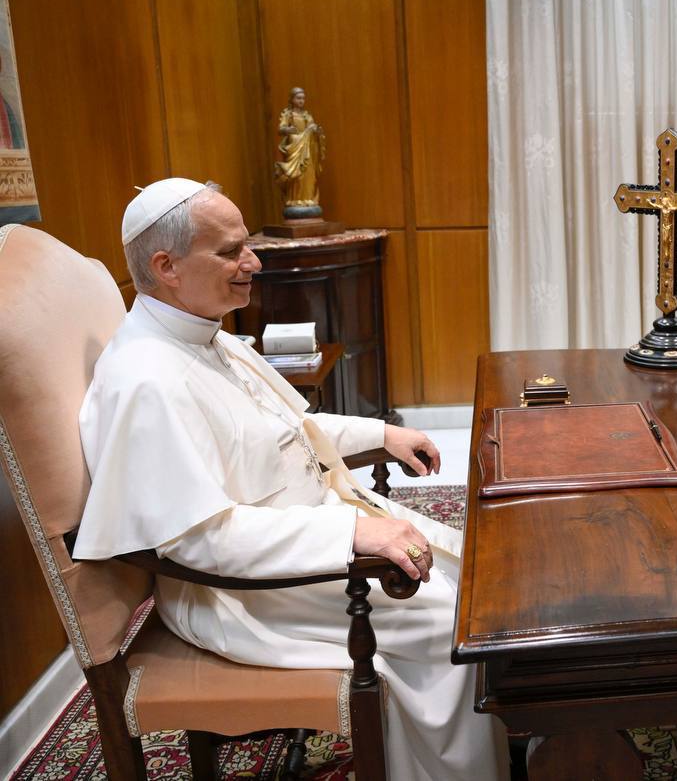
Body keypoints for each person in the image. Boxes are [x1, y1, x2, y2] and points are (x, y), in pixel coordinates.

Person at [72, 178, 508, 780]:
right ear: (166, 266)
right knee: (451, 625)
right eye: (231, 251)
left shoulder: (206, 333)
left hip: (298, 544)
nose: (253, 262)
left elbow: (284, 429)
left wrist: (381, 434)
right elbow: (196, 539)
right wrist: (352, 535)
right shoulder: (144, 380)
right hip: (239, 593)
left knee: (479, 577)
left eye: (246, 245)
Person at [275, 87, 325, 216]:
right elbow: (281, 129)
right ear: (292, 99)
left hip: (307, 150)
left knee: (308, 174)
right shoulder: (288, 114)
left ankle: (308, 199)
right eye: (298, 98)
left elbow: (312, 128)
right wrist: (289, 130)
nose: (301, 101)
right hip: (295, 148)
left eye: (303, 98)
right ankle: (295, 200)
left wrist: (316, 131)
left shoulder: (307, 115)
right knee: (297, 176)